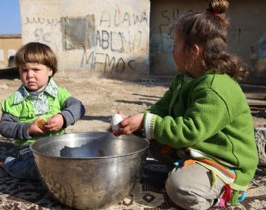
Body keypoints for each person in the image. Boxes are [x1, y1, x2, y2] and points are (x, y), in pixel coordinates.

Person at [111, 0, 259, 209]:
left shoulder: (215, 88)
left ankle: (226, 193)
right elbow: (161, 109)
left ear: (194, 51)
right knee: (153, 140)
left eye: (175, 46)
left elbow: (191, 130)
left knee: (180, 188)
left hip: (224, 162)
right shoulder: (185, 78)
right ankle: (190, 169)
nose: (171, 52)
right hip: (201, 148)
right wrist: (134, 123)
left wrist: (147, 122)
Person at [0, 42, 85, 181]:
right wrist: (28, 129)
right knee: (37, 167)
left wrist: (63, 118)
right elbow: (5, 127)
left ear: (50, 70)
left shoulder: (58, 94)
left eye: (36, 69)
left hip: (58, 143)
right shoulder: (15, 100)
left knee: (79, 158)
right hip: (29, 148)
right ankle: (11, 164)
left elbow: (78, 106)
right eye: (24, 70)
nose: (30, 75)